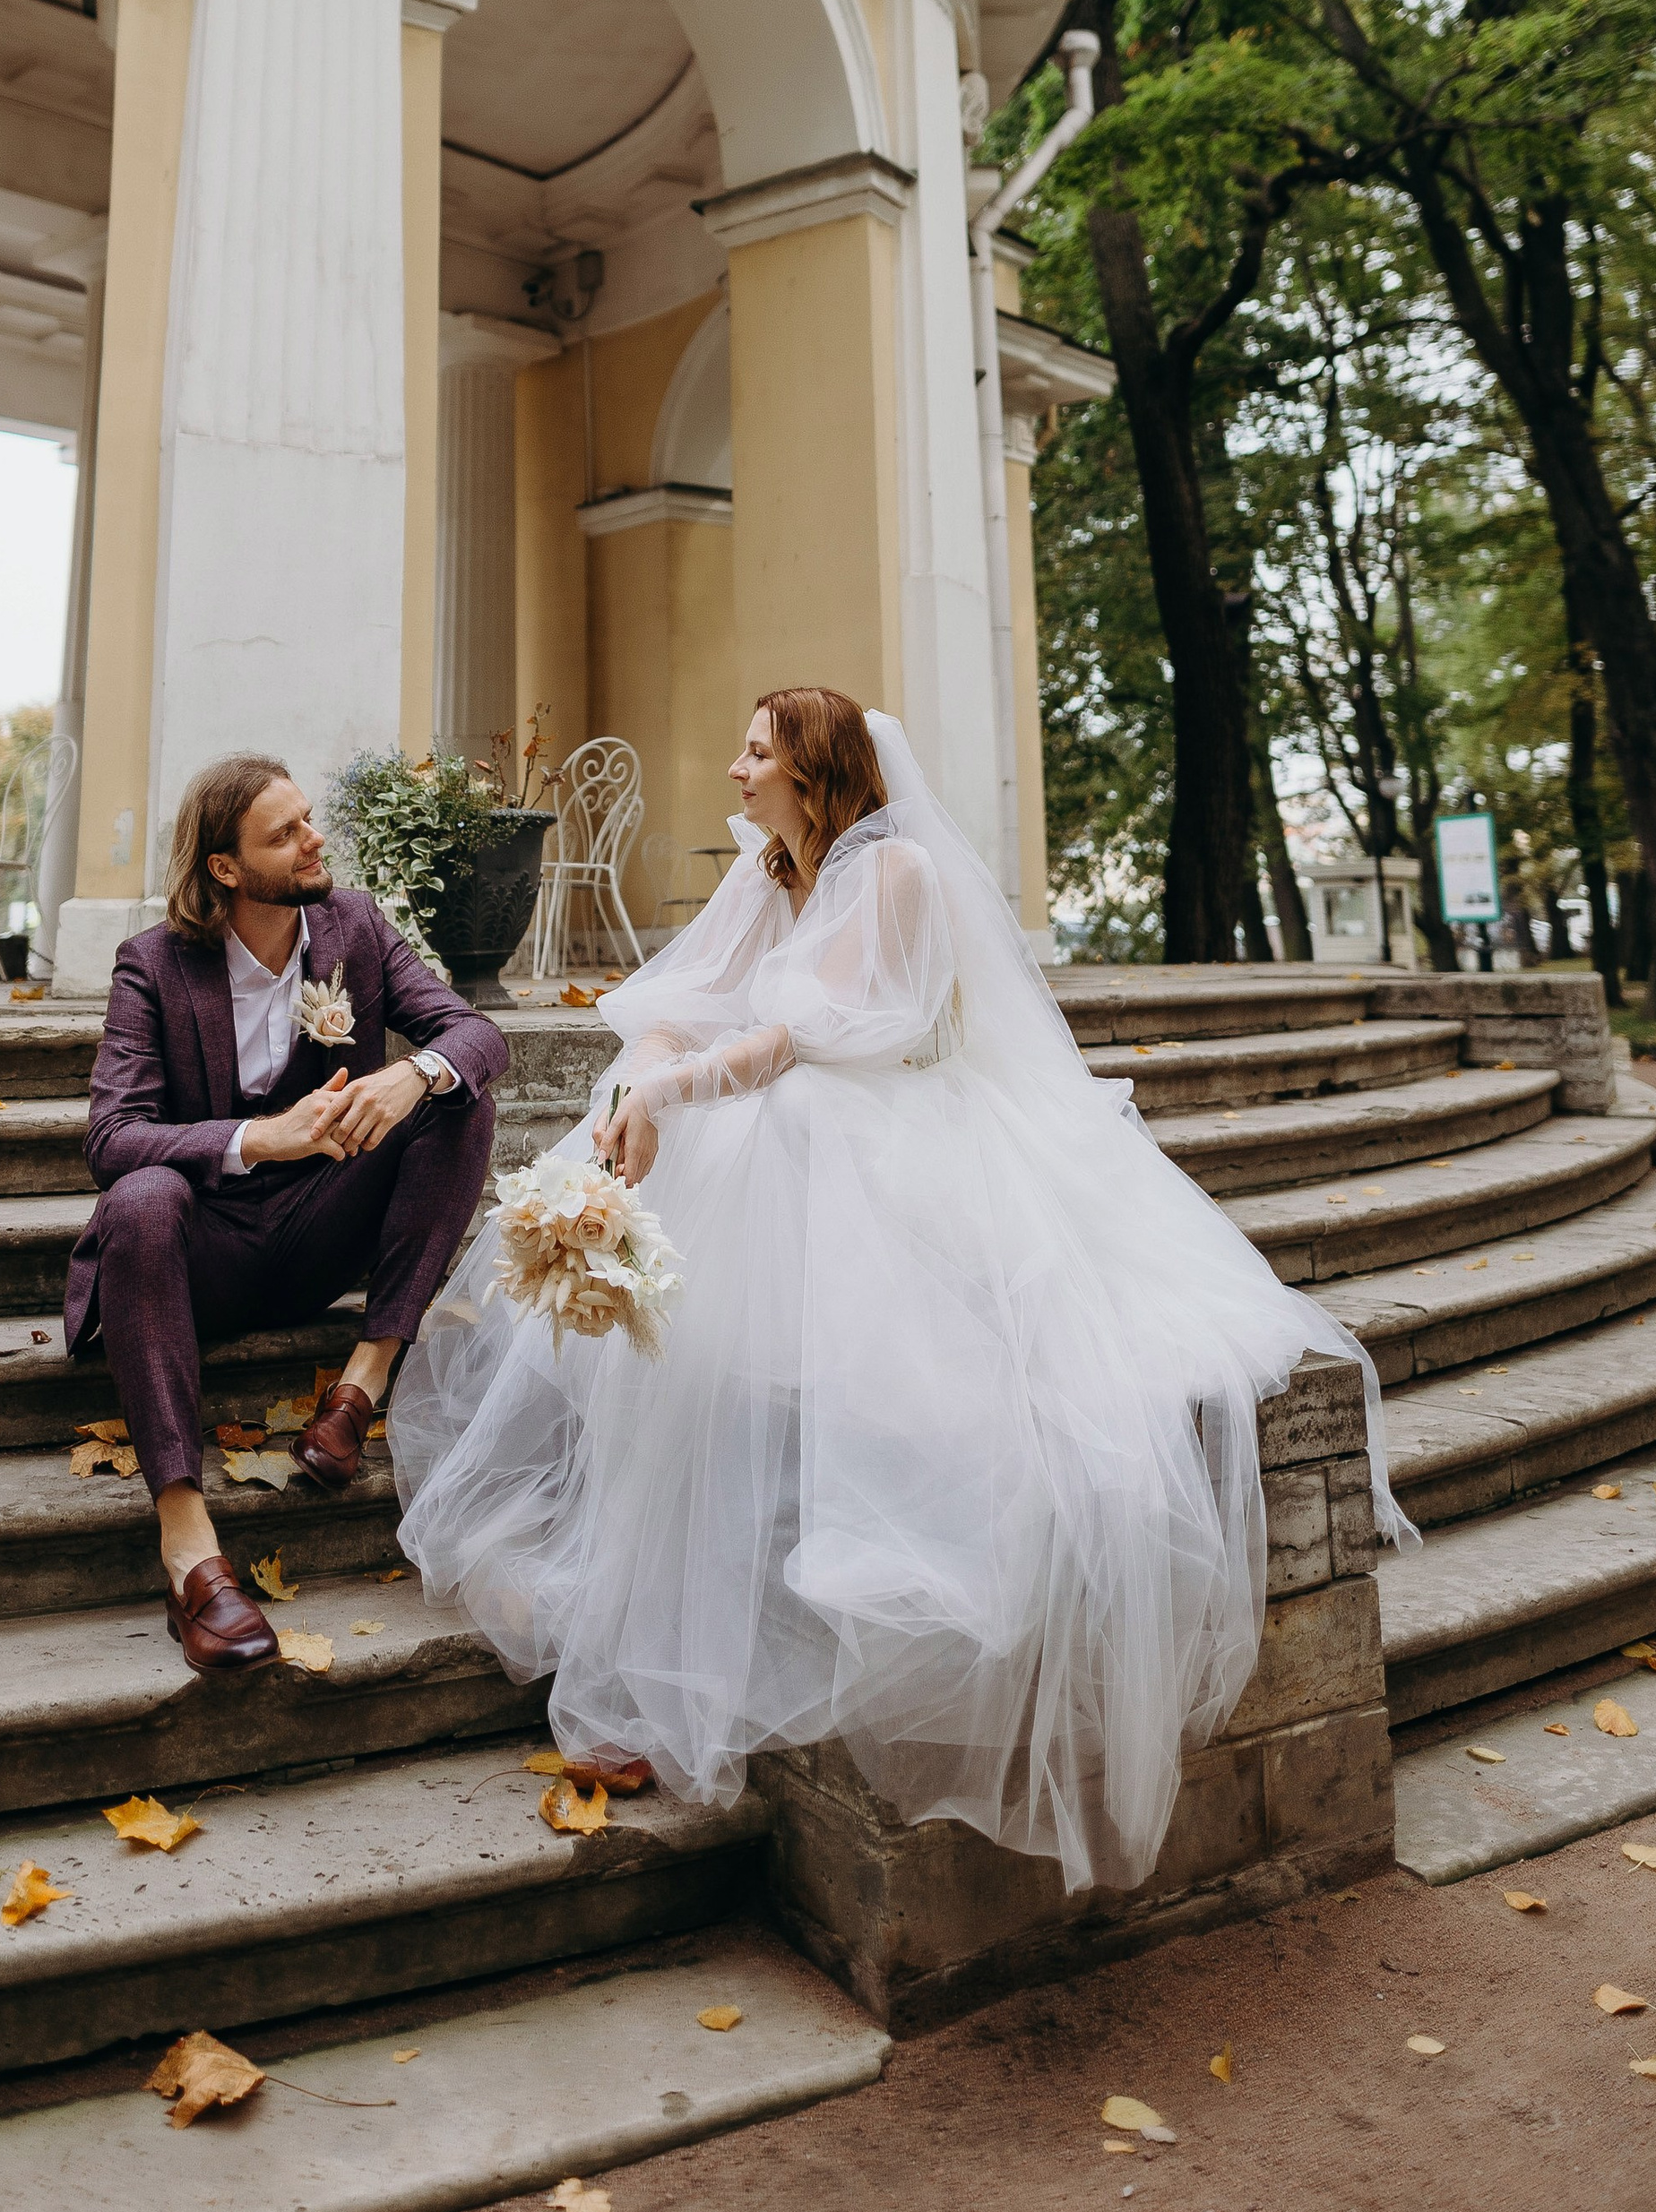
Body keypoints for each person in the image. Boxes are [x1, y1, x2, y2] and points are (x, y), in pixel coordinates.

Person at [391, 687, 1415, 1887]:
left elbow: (805, 1039)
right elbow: (687, 1006)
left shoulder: (896, 874)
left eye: (756, 752)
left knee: (781, 1119)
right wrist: (636, 1082)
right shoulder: (768, 870)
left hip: (898, 1127)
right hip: (787, 1116)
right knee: (702, 1147)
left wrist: (676, 1090)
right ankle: (640, 1583)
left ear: (812, 770)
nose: (735, 769)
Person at [64, 753, 507, 1675]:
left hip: (317, 1231)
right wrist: (260, 1138)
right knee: (140, 1196)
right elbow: (113, 1136)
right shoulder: (153, 963)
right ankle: (188, 1545)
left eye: (308, 819)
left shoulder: (354, 925)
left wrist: (410, 1071)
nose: (315, 840)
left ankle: (360, 1385)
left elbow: (476, 1032)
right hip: (205, 1253)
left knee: (457, 1097)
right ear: (225, 867)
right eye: (286, 833)